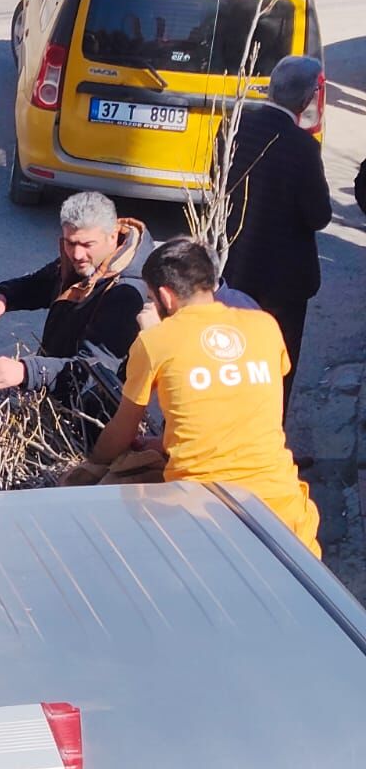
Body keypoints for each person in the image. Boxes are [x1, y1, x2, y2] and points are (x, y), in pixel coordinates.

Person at [87, 238, 321, 556]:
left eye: (150, 297)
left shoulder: (156, 341)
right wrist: (165, 442)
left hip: (205, 517)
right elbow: (234, 405)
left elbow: (123, 430)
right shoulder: (265, 325)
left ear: (166, 297)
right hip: (285, 515)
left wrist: (93, 465)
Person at [0, 191, 151, 440]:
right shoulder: (93, 260)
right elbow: (47, 282)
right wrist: (5, 297)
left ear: (112, 236)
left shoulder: (126, 293)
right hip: (57, 392)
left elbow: (91, 374)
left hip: (90, 423)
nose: (76, 254)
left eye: (86, 245)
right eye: (69, 243)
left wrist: (25, 371)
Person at [222, 55, 331, 412]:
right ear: (307, 99)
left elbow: (217, 185)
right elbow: (319, 216)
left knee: (233, 360)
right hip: (283, 283)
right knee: (277, 367)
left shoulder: (235, 127)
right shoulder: (301, 147)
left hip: (235, 268)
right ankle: (267, 449)